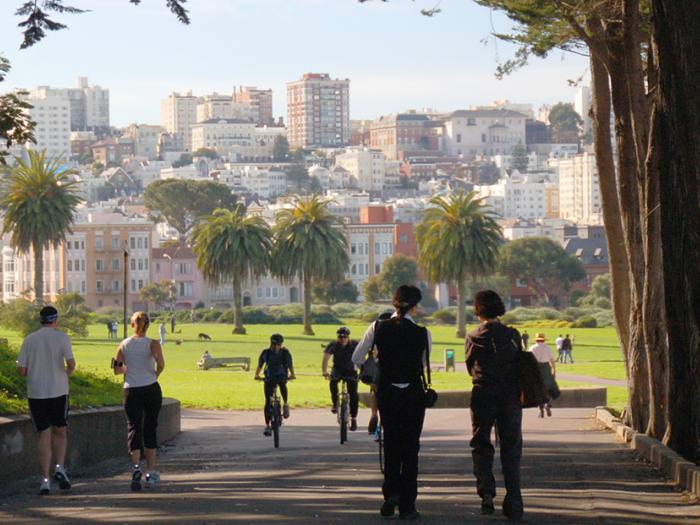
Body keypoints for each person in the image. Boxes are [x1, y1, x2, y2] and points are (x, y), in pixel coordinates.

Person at [352, 285, 431, 520]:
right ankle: (408, 505)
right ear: (414, 307)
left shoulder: (377, 327)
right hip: (412, 394)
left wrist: (374, 365)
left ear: (394, 303)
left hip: (387, 392)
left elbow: (357, 357)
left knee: (391, 446)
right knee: (410, 448)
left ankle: (390, 495)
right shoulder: (422, 332)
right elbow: (424, 364)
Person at [465, 290, 524, 521]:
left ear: (478, 310)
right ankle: (514, 497)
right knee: (511, 446)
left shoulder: (473, 336)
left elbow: (470, 367)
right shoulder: (512, 334)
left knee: (481, 443)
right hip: (509, 396)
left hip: (483, 394)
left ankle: (486, 493)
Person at [16, 306, 76, 495]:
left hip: (37, 392)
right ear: (55, 320)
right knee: (61, 431)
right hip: (59, 390)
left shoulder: (29, 340)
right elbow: (71, 363)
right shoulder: (62, 338)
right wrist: (65, 374)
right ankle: (59, 467)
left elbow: (22, 371)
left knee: (43, 434)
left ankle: (45, 480)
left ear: (40, 320)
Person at [112, 312, 165, 491]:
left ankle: (135, 467)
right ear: (148, 325)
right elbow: (161, 364)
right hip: (150, 388)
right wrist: (154, 375)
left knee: (133, 427)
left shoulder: (124, 344)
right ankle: (150, 471)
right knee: (150, 427)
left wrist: (128, 368)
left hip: (131, 390)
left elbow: (117, 370)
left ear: (132, 324)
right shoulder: (153, 343)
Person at [254, 333, 296, 436]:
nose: (276, 346)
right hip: (269, 378)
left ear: (281, 344)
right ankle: (268, 425)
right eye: (274, 344)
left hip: (281, 376)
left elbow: (290, 365)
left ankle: (285, 404)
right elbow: (260, 365)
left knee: (282, 385)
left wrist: (292, 374)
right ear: (271, 343)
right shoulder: (266, 353)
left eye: (278, 344)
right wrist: (257, 375)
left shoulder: (285, 353)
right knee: (268, 401)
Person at [322, 326, 359, 431]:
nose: (343, 339)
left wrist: (362, 370)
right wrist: (324, 371)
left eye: (345, 337)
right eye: (340, 337)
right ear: (337, 337)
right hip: (337, 369)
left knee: (353, 394)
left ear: (348, 337)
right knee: (333, 382)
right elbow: (326, 357)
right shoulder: (333, 345)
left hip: (351, 370)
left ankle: (354, 418)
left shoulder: (354, 344)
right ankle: (335, 403)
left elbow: (362, 356)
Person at [528, 333, 556, 418]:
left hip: (536, 368)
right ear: (544, 340)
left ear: (536, 340)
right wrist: (554, 370)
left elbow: (529, 360)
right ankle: (548, 404)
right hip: (546, 368)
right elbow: (552, 360)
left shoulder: (532, 348)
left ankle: (541, 410)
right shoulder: (547, 347)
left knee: (537, 390)